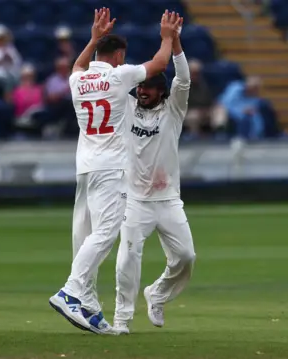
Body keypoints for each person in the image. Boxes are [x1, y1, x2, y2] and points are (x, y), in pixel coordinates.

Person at [48, 8, 182, 335]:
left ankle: (90, 306)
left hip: (84, 169)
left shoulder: (78, 79)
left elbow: (78, 64)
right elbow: (159, 65)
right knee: (106, 235)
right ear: (119, 56)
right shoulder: (118, 76)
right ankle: (71, 290)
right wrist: (167, 38)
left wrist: (92, 38)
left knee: (86, 237)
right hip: (111, 169)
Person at [112, 19, 195, 335]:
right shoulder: (128, 107)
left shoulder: (173, 110)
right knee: (126, 260)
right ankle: (122, 319)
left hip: (168, 200)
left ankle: (157, 294)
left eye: (149, 88)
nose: (142, 91)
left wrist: (174, 43)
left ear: (162, 90)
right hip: (135, 201)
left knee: (186, 256)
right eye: (140, 87)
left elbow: (183, 80)